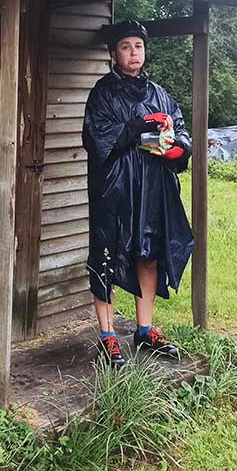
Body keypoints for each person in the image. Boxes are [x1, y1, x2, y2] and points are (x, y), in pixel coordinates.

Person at [81, 20, 194, 367]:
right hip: (115, 189)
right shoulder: (103, 93)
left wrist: (180, 150)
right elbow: (95, 139)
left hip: (153, 189)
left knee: (149, 253)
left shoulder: (159, 94)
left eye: (139, 46)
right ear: (115, 52)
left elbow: (181, 129)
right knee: (107, 255)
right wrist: (132, 128)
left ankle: (144, 329)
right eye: (126, 46)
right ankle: (108, 336)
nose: (134, 53)